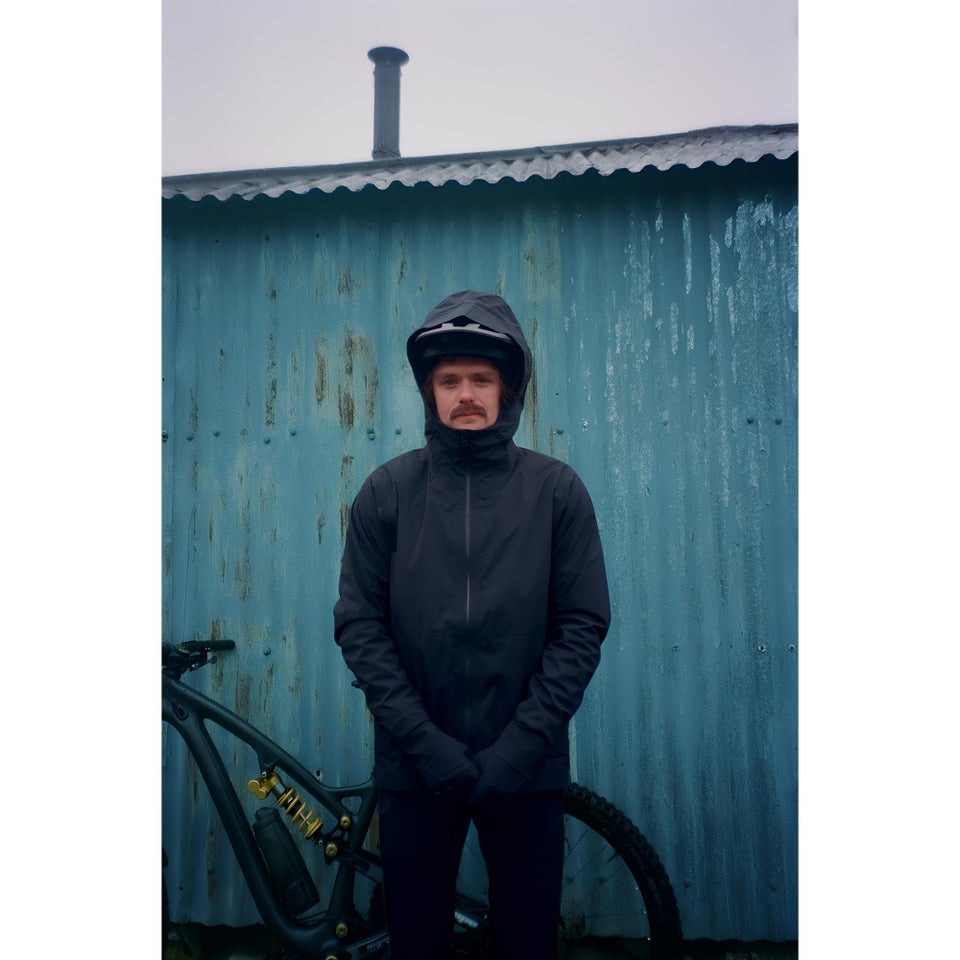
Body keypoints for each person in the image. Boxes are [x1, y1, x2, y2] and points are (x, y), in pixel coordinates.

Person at [333, 290, 610, 960]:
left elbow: (580, 625)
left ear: (507, 390)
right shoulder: (386, 492)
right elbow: (360, 625)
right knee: (416, 945)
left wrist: (520, 748)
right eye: (449, 380)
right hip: (415, 769)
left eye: (481, 379)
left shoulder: (556, 492)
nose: (465, 395)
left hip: (526, 768)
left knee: (526, 943)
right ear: (429, 392)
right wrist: (424, 744)